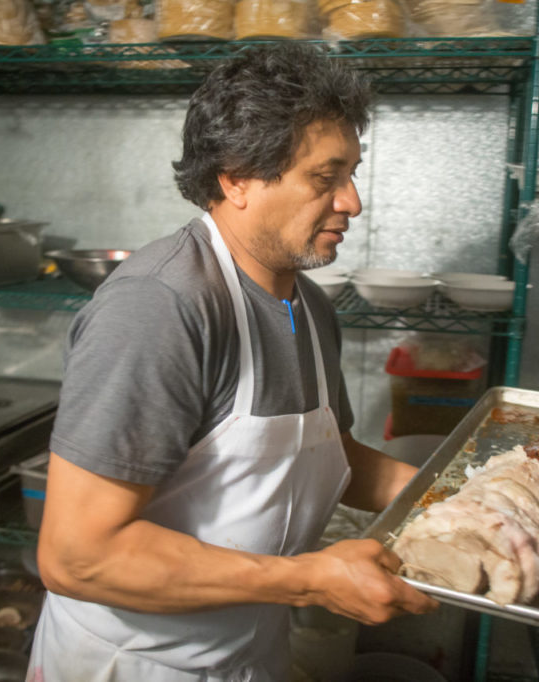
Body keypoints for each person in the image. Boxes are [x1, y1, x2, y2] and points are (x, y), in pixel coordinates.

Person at [27, 42, 438, 682]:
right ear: (236, 177)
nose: (352, 202)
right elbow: (78, 556)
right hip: (136, 665)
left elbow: (323, 453)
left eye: (353, 174)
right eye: (324, 178)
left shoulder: (308, 302)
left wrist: (448, 500)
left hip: (250, 652)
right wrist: (306, 581)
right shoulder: (161, 308)